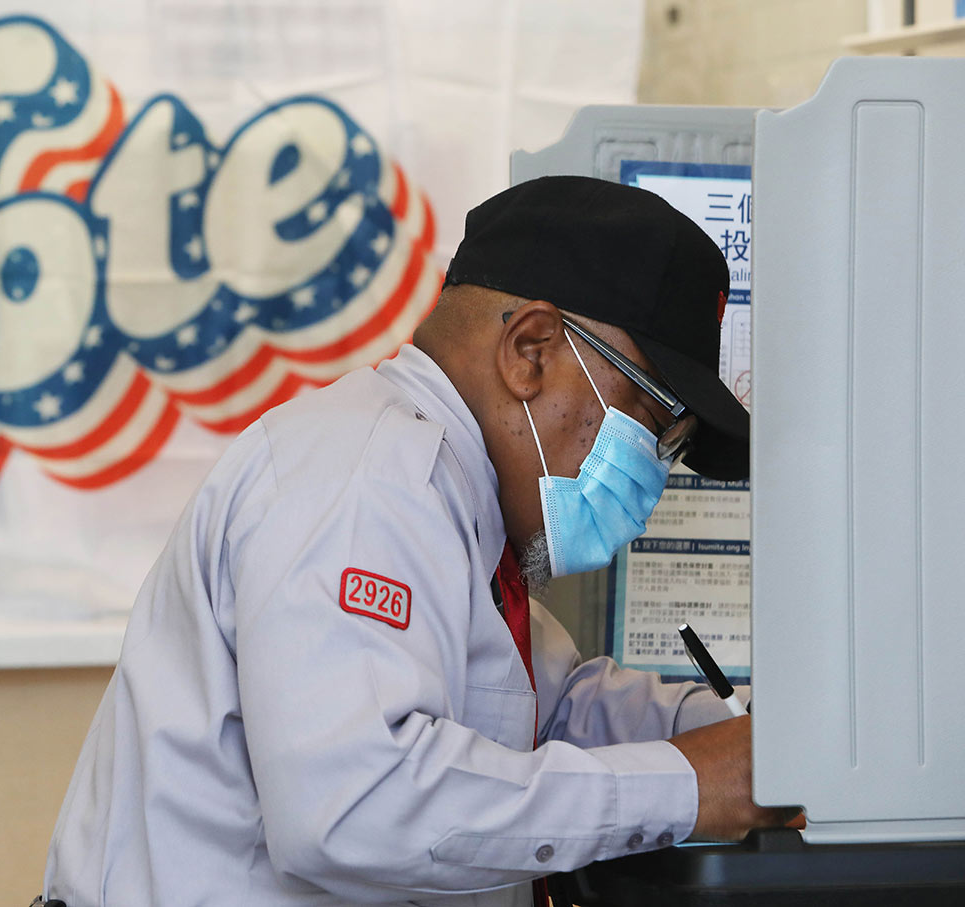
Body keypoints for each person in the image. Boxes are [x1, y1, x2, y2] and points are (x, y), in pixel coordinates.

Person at [39, 176, 797, 907]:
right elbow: (356, 804)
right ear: (530, 349)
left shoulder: (452, 495)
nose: (653, 469)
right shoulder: (365, 478)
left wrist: (765, 737)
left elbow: (549, 708)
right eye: (653, 422)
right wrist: (687, 785)